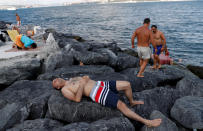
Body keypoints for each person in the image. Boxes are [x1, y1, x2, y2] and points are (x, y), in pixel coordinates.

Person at [52, 76, 162, 127]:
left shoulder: (71, 79)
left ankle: (132, 101)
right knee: (121, 105)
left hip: (100, 83)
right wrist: (82, 84)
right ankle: (147, 122)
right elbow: (77, 99)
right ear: (57, 87)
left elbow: (85, 79)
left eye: (55, 79)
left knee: (127, 84)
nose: (56, 80)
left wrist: (86, 78)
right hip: (96, 92)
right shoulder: (64, 90)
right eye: (54, 82)